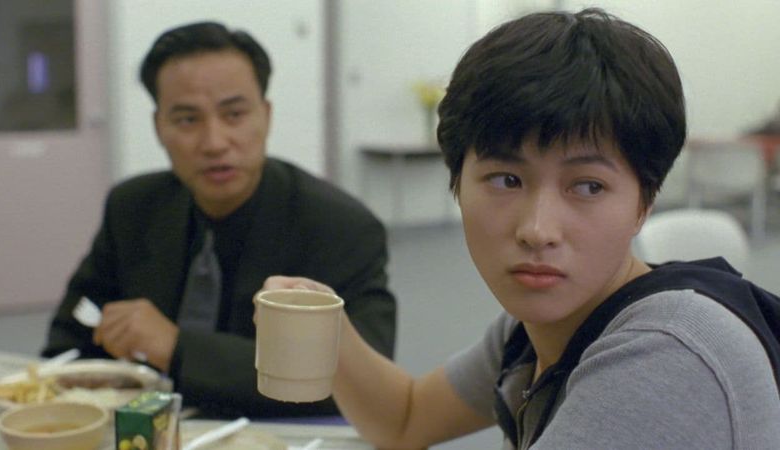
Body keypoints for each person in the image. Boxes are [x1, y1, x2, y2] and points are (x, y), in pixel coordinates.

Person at [261, 8, 780, 449]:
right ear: (457, 182)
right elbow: (407, 418)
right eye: (506, 179)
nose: (537, 230)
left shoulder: (664, 359)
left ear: (644, 202)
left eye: (588, 186)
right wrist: (323, 317)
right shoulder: (535, 331)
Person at [41, 21, 396, 418]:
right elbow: (70, 336)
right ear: (159, 127)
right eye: (187, 120)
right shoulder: (133, 207)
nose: (214, 142)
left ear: (266, 116)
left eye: (234, 114)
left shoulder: (339, 226)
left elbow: (365, 381)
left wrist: (178, 348)